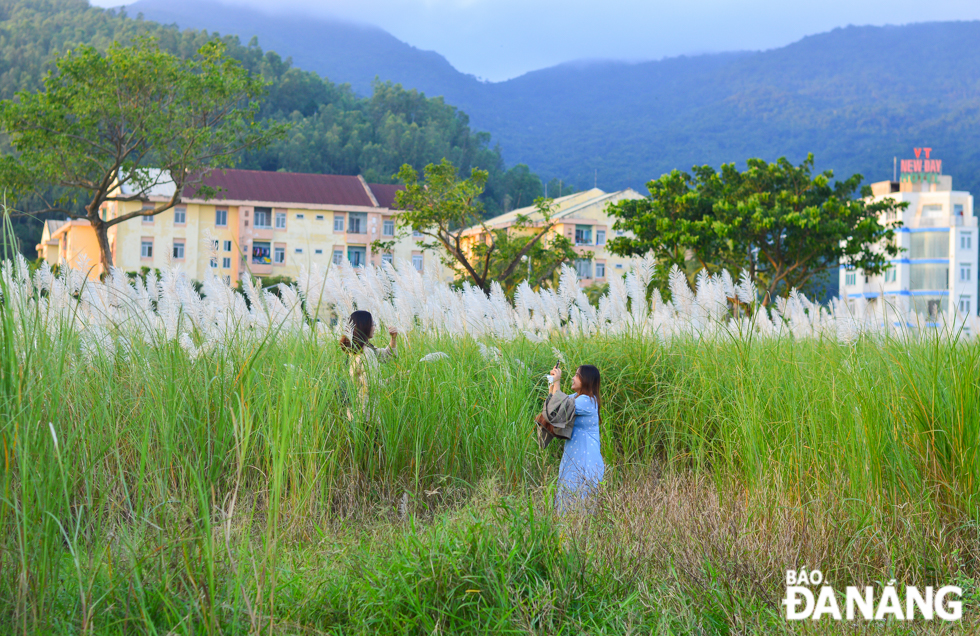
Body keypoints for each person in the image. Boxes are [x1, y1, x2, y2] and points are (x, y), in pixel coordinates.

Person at [548, 363, 605, 512]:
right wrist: (553, 382)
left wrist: (557, 382)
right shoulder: (576, 397)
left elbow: (561, 406)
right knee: (568, 501)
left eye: (576, 375)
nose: (573, 378)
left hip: (585, 462)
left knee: (580, 505)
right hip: (574, 458)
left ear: (586, 379)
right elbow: (554, 406)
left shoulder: (587, 401)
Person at [340, 310, 397, 419]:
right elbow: (373, 386)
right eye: (372, 324)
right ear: (365, 326)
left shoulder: (355, 349)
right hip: (367, 414)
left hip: (355, 411)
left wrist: (393, 338)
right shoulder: (366, 353)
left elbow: (387, 356)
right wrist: (397, 377)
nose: (374, 327)